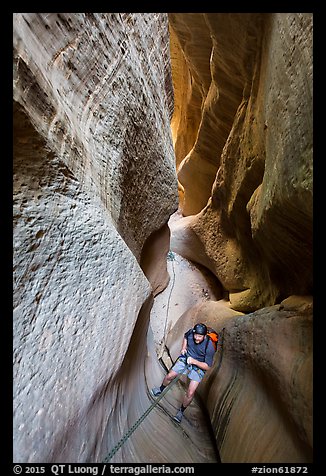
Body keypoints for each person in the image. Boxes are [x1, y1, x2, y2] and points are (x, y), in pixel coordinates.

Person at [151, 322, 215, 423]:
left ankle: (180, 412)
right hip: (186, 358)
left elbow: (207, 366)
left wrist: (194, 361)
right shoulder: (190, 333)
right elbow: (185, 336)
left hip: (198, 367)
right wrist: (183, 348)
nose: (197, 338)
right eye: (196, 335)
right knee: (170, 376)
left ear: (204, 336)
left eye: (200, 336)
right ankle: (160, 389)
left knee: (190, 392)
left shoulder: (209, 346)